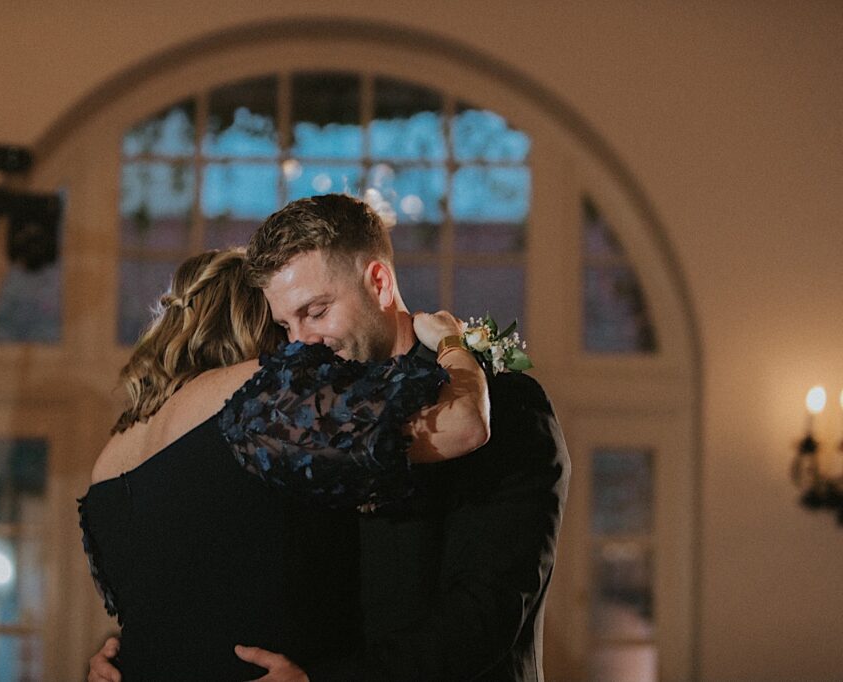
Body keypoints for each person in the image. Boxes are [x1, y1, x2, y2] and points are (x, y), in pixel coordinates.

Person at [90, 194, 570, 681]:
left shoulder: (506, 402)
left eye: (316, 312)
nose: (298, 344)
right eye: (284, 325)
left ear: (379, 283)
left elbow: (485, 612)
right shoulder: (305, 417)